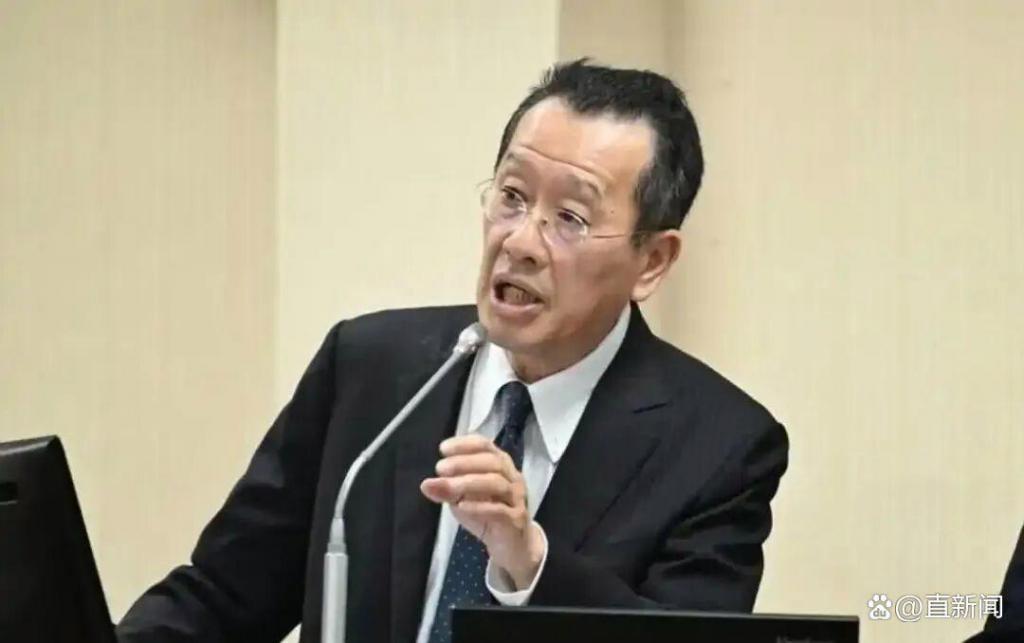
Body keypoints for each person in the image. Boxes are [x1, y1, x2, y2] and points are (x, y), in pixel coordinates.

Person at [117, 59, 789, 643]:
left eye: (570, 219)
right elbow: (222, 598)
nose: (520, 241)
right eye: (512, 196)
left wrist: (531, 563)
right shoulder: (370, 367)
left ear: (653, 261)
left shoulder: (719, 448)